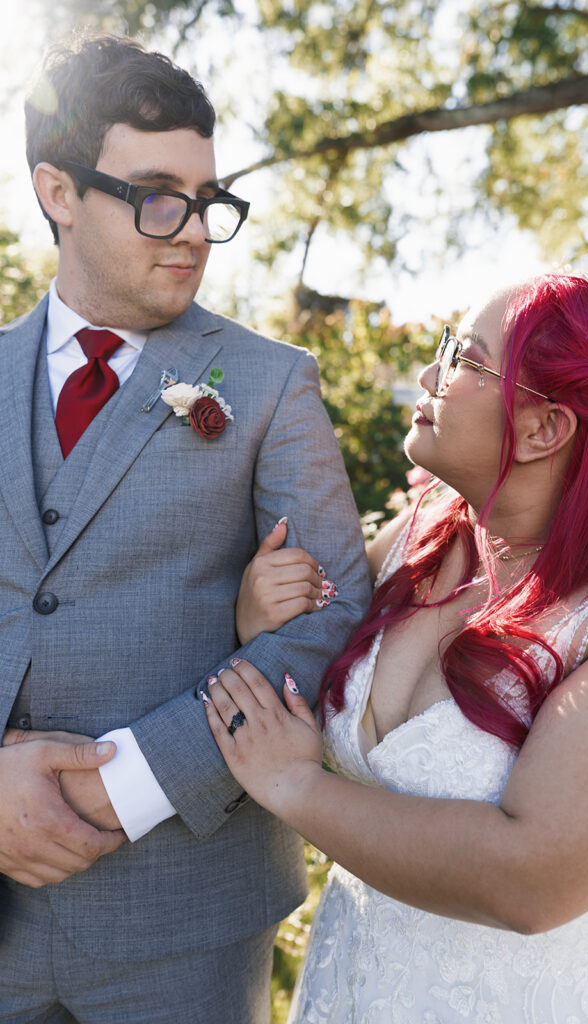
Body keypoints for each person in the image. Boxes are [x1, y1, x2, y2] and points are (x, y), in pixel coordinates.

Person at [0, 33, 370, 1024]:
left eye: (209, 200)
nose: (195, 229)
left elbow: (329, 615)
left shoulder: (267, 381)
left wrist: (119, 788)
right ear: (58, 191)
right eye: (157, 194)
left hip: (187, 916)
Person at [204, 272, 588, 1022]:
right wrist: (264, 614)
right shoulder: (431, 524)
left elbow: (531, 880)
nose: (429, 373)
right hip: (362, 982)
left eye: (462, 356)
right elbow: (317, 652)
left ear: (542, 429)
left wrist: (296, 787)